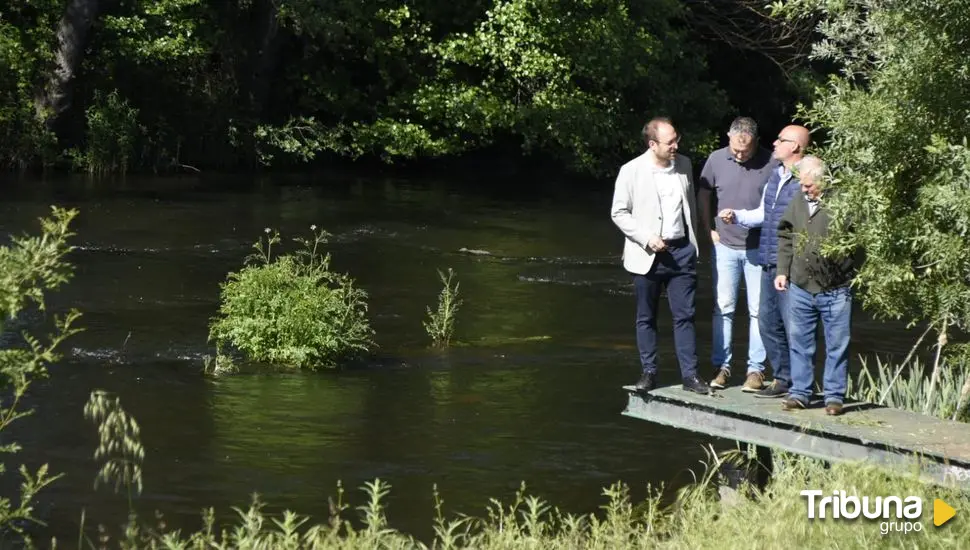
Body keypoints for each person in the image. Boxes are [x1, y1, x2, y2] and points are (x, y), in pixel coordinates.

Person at [610, 117, 709, 395]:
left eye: (677, 139)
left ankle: (690, 376)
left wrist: (692, 244)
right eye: (670, 142)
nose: (676, 145)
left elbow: (688, 206)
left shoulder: (685, 165)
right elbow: (618, 212)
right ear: (653, 144)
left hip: (681, 252)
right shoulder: (631, 171)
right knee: (646, 317)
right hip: (647, 253)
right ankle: (649, 373)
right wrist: (646, 237)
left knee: (685, 316)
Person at [718, 124, 810, 398]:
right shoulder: (776, 175)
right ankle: (783, 380)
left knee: (795, 327)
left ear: (794, 146)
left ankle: (801, 387)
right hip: (769, 259)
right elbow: (764, 214)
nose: (774, 142)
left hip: (792, 266)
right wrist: (738, 216)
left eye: (780, 140)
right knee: (768, 324)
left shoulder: (807, 177)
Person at [697, 117, 778, 392]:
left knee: (758, 311)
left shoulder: (772, 162)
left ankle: (756, 371)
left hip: (758, 247)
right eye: (735, 149)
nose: (740, 154)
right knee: (723, 308)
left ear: (756, 141)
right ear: (728, 138)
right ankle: (723, 367)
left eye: (746, 149)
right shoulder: (716, 159)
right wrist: (708, 229)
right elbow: (704, 194)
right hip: (725, 245)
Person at [775, 156, 856, 416]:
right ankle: (800, 393)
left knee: (837, 344)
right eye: (802, 184)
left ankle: (834, 397)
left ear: (823, 180)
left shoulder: (843, 202)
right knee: (799, 342)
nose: (804, 189)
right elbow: (786, 234)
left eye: (809, 185)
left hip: (836, 288)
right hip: (800, 285)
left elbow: (861, 240)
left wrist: (852, 272)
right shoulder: (799, 200)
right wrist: (782, 270)